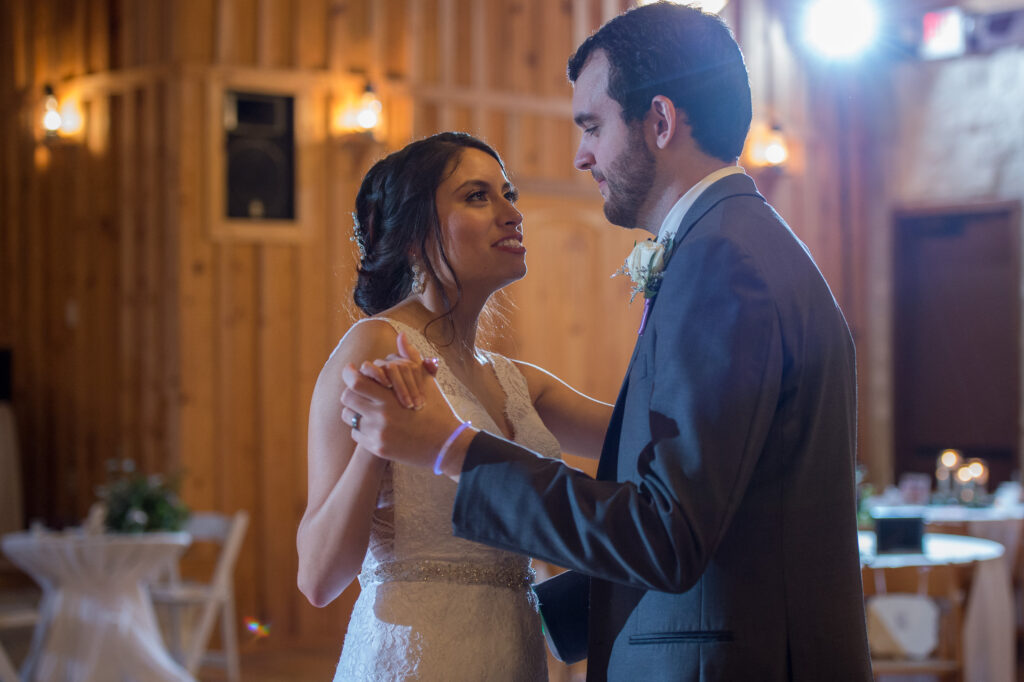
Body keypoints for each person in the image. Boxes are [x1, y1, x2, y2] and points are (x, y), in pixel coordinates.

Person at [340, 3, 873, 681]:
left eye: (592, 126)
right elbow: (718, 511)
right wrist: (518, 612)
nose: (580, 155)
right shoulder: (737, 245)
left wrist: (450, 447)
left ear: (659, 121)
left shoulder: (722, 264)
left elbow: (665, 531)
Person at [296, 131, 614, 681]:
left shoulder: (517, 381)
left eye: (508, 193)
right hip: (415, 659)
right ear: (417, 235)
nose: (512, 213)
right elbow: (318, 578)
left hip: (514, 657)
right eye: (477, 196)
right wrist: (379, 444)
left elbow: (645, 442)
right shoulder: (374, 346)